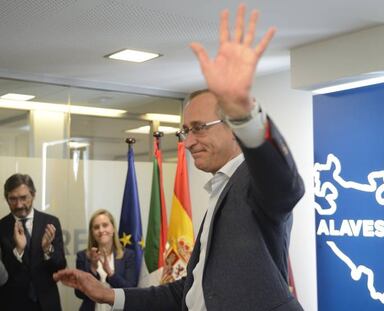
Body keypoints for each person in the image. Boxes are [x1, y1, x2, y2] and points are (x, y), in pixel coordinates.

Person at [54, 4, 305, 310]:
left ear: (233, 128)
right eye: (186, 131)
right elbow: (189, 291)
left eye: (199, 128)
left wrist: (247, 115)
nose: (188, 142)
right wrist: (109, 294)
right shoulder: (219, 189)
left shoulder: (253, 181)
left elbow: (286, 184)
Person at [0, 173, 66, 311]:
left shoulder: (51, 222)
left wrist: (47, 249)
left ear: (33, 195)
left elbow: (60, 266)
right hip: (12, 304)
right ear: (6, 199)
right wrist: (18, 250)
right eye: (13, 199)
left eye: (23, 198)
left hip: (47, 303)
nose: (19, 205)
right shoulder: (1, 227)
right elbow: (3, 276)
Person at [76, 209, 137, 311]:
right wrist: (93, 269)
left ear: (113, 228)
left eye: (105, 225)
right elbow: (79, 293)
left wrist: (110, 273)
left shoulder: (128, 255)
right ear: (92, 232)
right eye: (96, 227)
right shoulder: (83, 256)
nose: (101, 230)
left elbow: (131, 291)